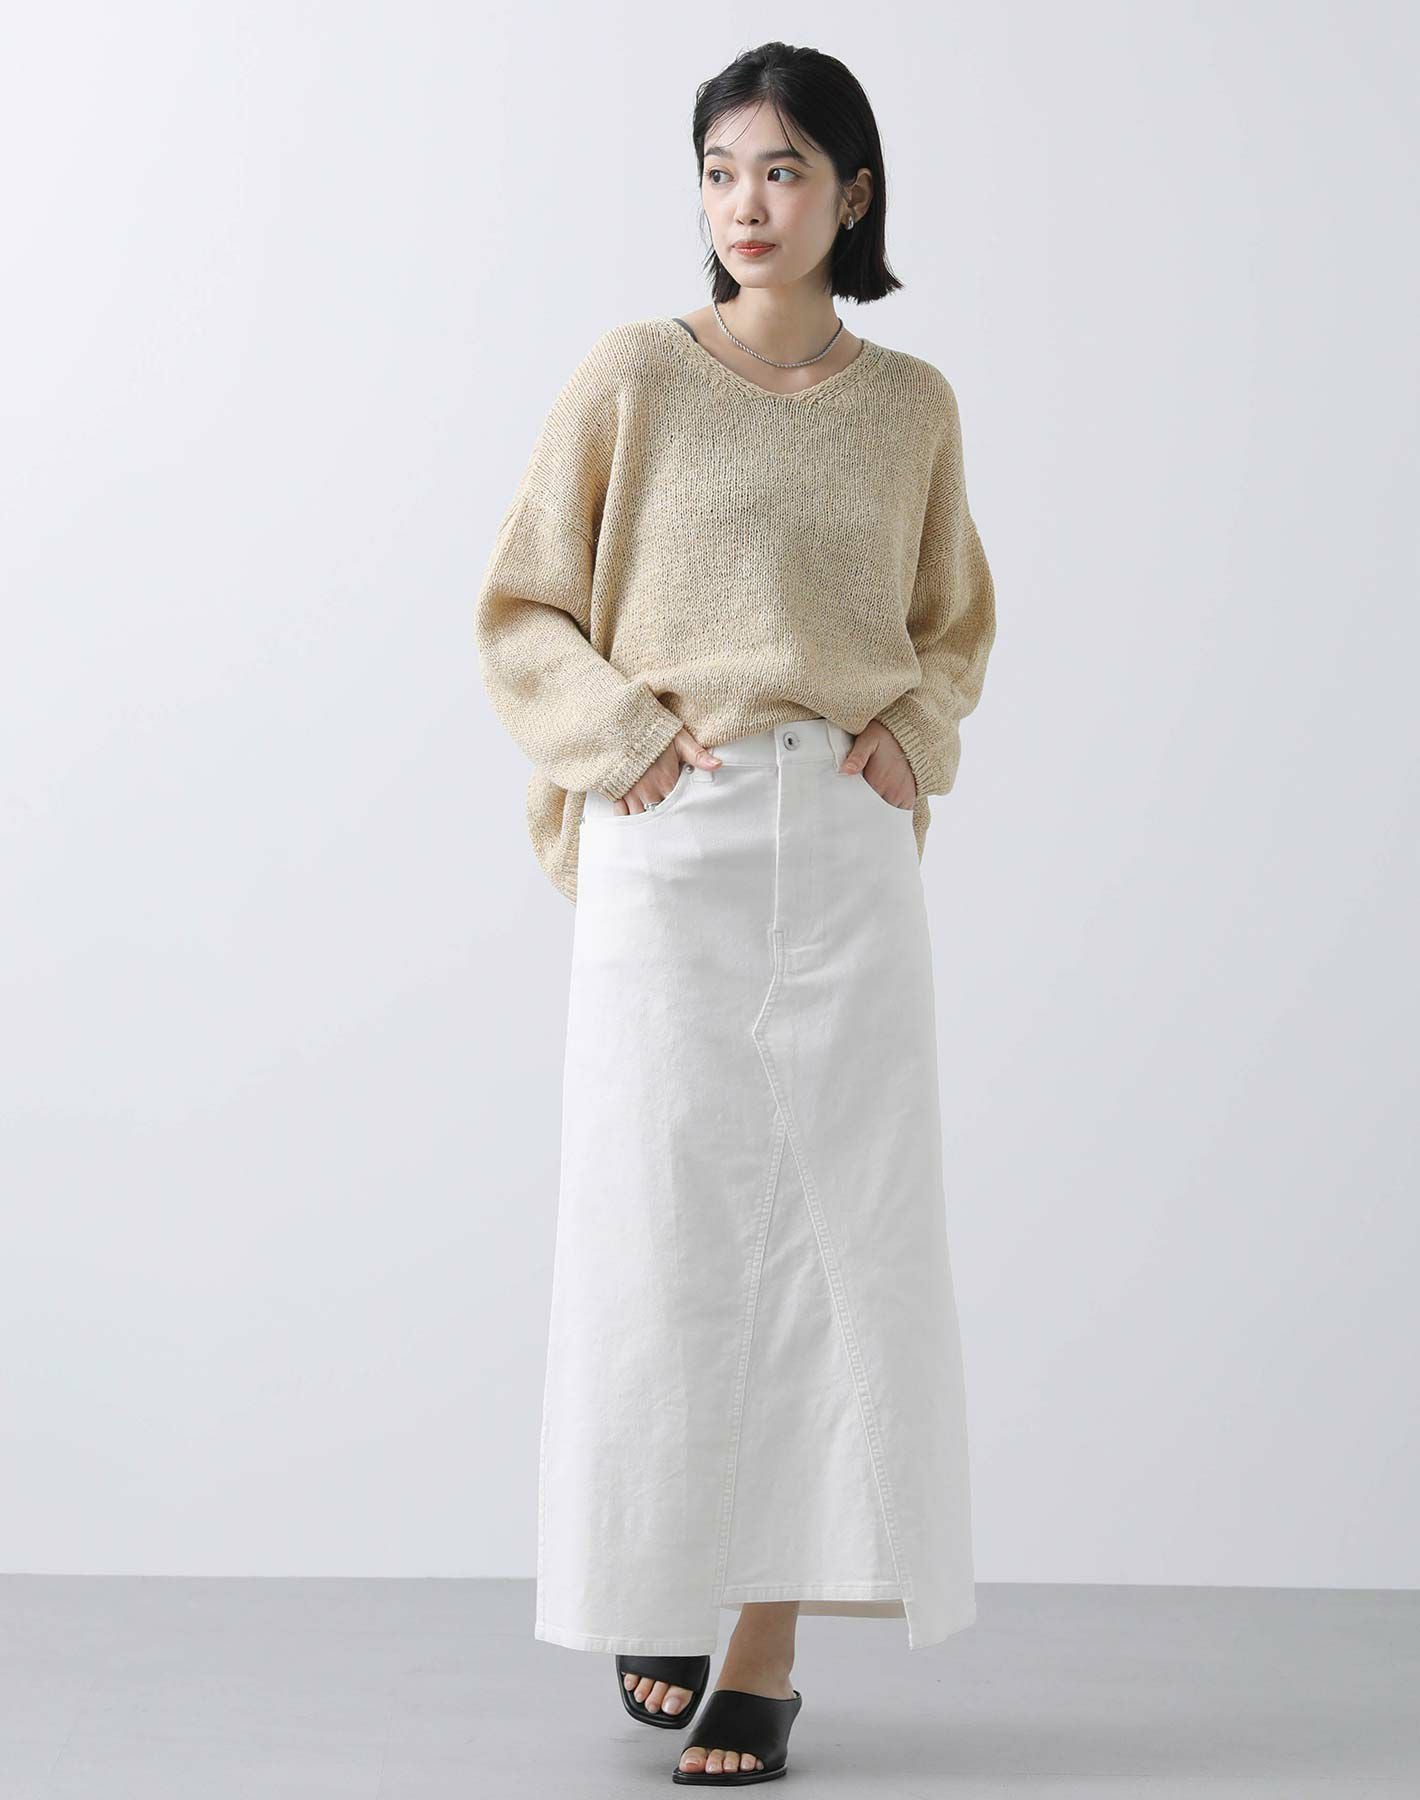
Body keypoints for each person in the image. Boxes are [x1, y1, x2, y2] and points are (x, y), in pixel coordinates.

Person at [475, 41, 996, 1787]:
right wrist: (620, 738)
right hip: (669, 832)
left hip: (844, 851)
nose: (746, 206)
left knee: (841, 1235)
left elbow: (952, 624)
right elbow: (524, 602)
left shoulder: (911, 403)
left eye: (782, 170)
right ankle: (655, 1578)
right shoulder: (635, 375)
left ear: (854, 191)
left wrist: (914, 737)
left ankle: (764, 1648)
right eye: (719, 172)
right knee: (659, 1218)